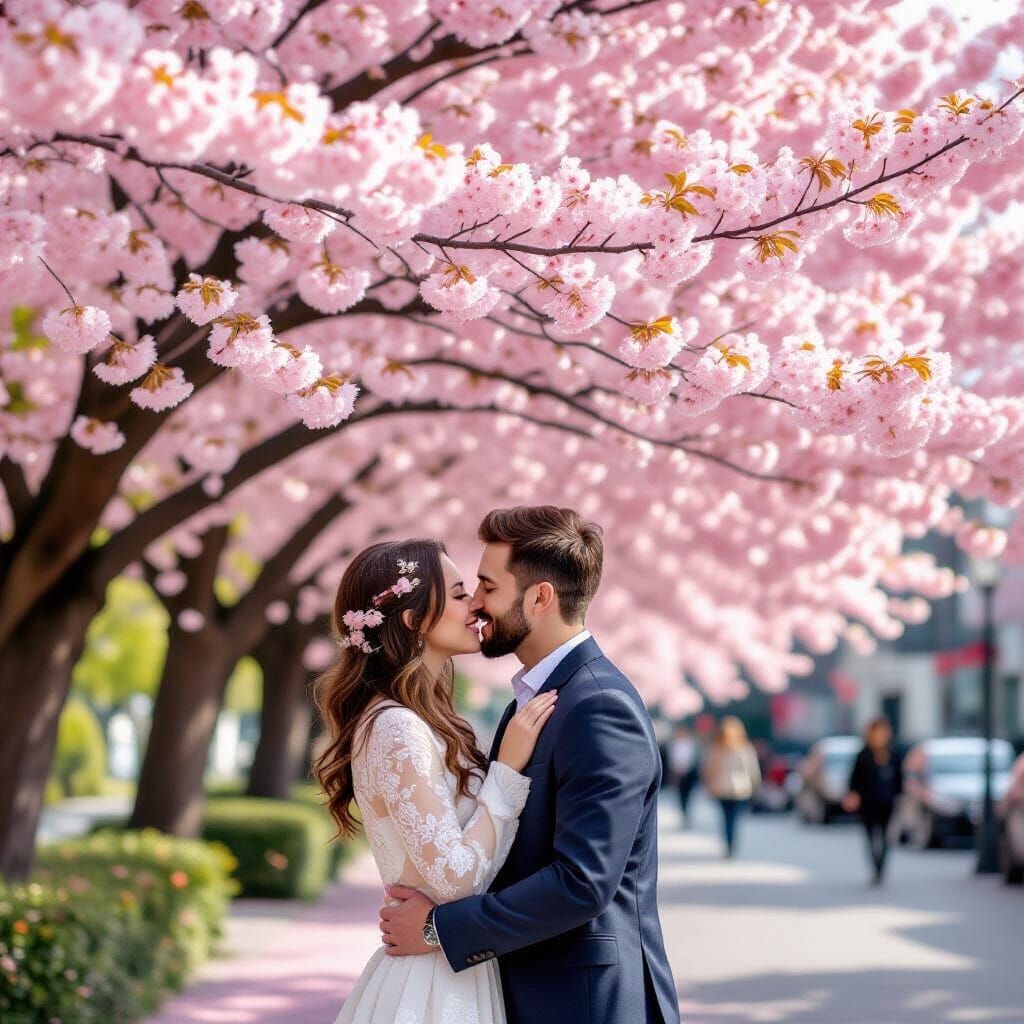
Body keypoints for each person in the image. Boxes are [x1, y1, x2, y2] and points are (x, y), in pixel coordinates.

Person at [379, 506, 680, 1024]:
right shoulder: (535, 699)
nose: (475, 603)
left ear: (539, 598)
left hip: (586, 1003)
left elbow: (582, 882)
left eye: (487, 587)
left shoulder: (599, 705)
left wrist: (438, 929)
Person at [316, 538, 558, 1024]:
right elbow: (455, 878)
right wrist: (506, 774)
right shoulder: (396, 728)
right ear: (412, 619)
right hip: (429, 984)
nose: (476, 606)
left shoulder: (421, 720)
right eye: (460, 592)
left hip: (452, 965)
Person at [843, 716, 903, 885]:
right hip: (868, 802)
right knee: (869, 836)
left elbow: (899, 778)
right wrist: (852, 795)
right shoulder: (863, 754)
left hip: (887, 801)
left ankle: (881, 867)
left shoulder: (893, 753)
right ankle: (875, 867)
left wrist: (900, 796)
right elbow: (854, 779)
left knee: (885, 836)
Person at [701, 716, 761, 858]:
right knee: (735, 819)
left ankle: (728, 844)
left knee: (726, 818)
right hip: (740, 789)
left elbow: (709, 770)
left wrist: (709, 785)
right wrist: (755, 785)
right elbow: (752, 769)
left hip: (721, 788)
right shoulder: (745, 748)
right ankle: (732, 845)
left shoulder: (716, 749)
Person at [668, 724, 700, 827]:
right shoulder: (674, 744)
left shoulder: (691, 744)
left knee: (688, 795)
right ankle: (683, 813)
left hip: (689, 773)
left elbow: (694, 759)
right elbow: (671, 759)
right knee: (680, 795)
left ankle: (687, 814)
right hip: (678, 774)